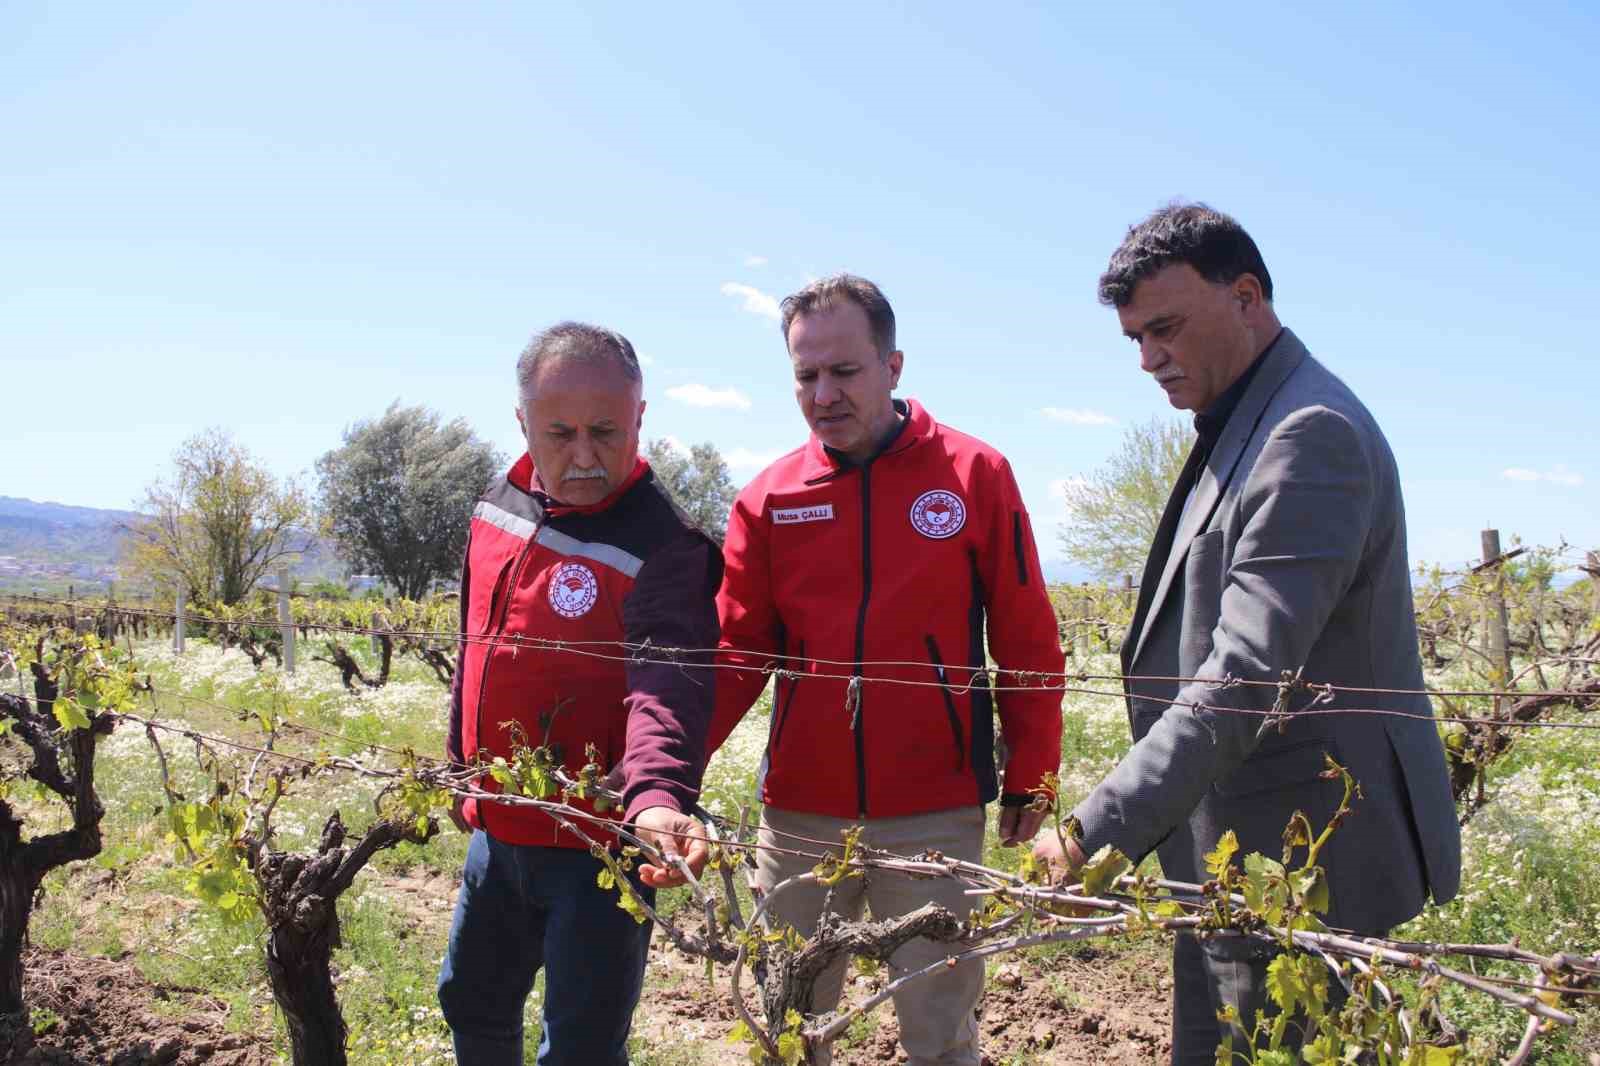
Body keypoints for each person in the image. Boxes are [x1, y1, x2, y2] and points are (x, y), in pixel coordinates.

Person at [1035, 203, 1461, 1063]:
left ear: (1246, 295)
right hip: (1241, 850)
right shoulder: (1248, 419)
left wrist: (1094, 828)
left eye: (1166, 329)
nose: (1150, 359)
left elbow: (1243, 674)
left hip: (1304, 865)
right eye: (1134, 340)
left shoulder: (1307, 435)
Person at [708, 274, 1065, 1066]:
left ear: (894, 365)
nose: (824, 394)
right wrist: (662, 778)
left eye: (846, 371)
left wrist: (1033, 770)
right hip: (799, 815)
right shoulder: (767, 499)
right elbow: (735, 655)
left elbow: (1027, 638)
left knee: (941, 1032)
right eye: (806, 376)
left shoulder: (974, 475)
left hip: (933, 815)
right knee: (788, 1028)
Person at [437, 322, 723, 1066]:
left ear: (639, 418)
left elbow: (669, 682)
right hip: (495, 828)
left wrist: (657, 796)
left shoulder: (665, 544)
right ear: (522, 421)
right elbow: (474, 647)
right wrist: (458, 763)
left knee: (582, 1047)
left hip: (597, 849)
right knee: (471, 1002)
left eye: (606, 431)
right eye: (559, 433)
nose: (584, 456)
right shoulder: (496, 504)